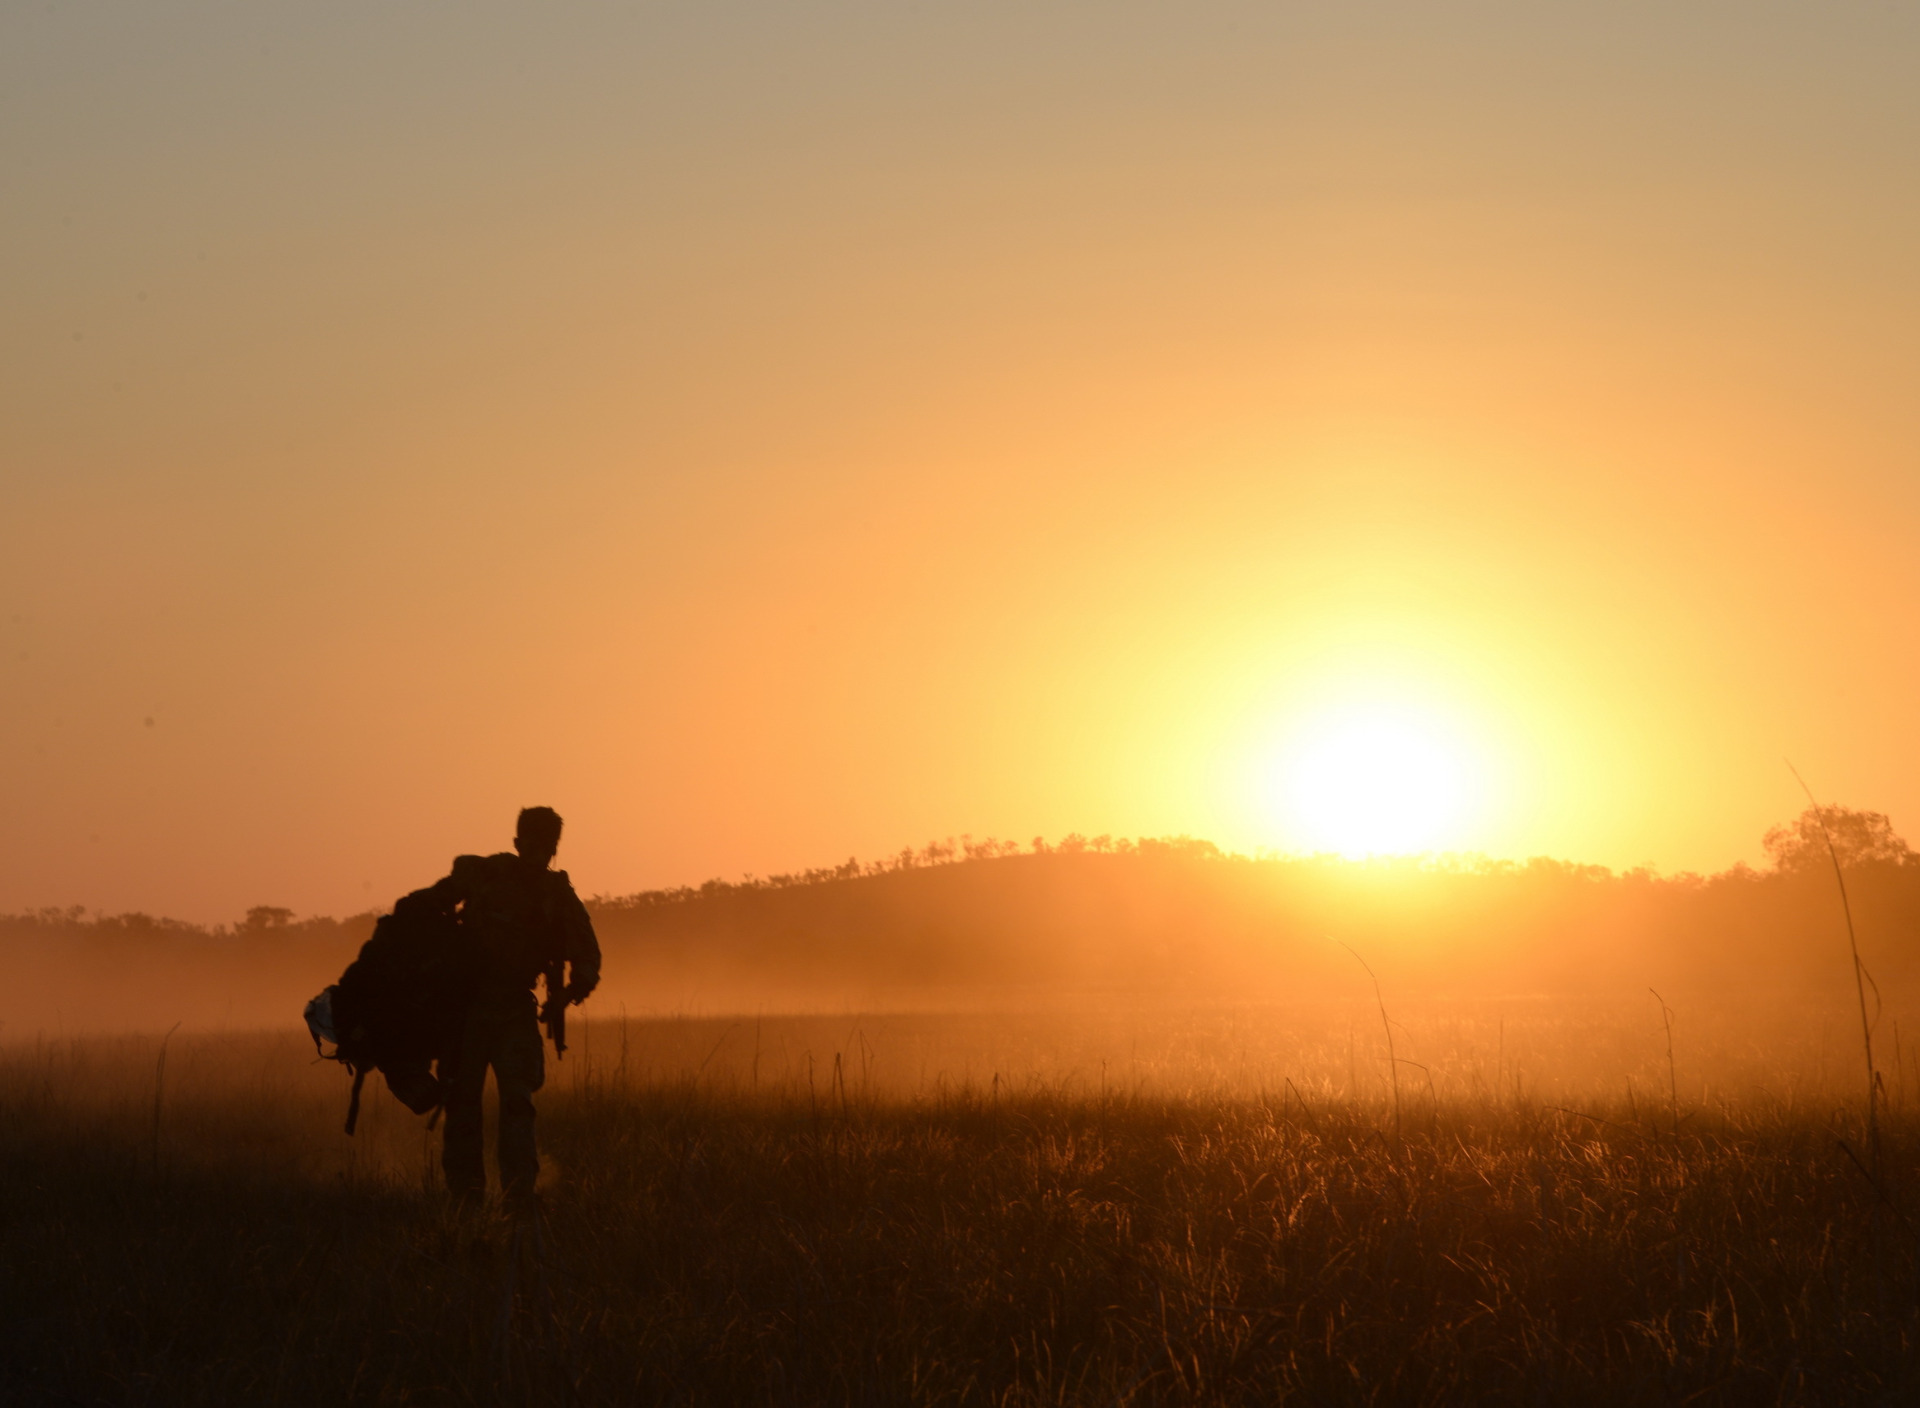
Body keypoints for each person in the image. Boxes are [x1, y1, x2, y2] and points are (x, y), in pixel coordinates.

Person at [419, 806, 600, 1207]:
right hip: (467, 1010)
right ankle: (467, 1199)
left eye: (547, 847)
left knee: (517, 1107)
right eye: (533, 845)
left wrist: (563, 998)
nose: (539, 855)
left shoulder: (556, 894)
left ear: (554, 849)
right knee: (463, 1106)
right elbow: (429, 905)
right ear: (518, 844)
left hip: (515, 1010)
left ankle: (516, 1196)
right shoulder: (484, 875)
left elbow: (588, 958)